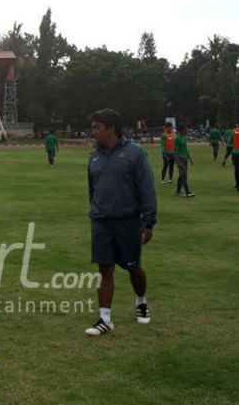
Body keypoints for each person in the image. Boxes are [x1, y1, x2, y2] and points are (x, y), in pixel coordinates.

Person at [85, 109, 156, 336]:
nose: (93, 131)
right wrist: (96, 210)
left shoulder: (135, 153)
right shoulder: (93, 157)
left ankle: (141, 301)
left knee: (133, 267)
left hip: (128, 221)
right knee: (104, 268)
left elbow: (146, 189)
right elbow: (92, 190)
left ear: (112, 128)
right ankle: (105, 319)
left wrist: (148, 222)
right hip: (101, 221)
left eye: (97, 127)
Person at [174, 124, 195, 198]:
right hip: (180, 159)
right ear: (181, 130)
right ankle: (187, 192)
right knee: (184, 175)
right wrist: (178, 161)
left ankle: (178, 192)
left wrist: (190, 159)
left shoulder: (184, 138)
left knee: (181, 175)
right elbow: (175, 151)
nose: (187, 131)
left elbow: (185, 149)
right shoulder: (177, 139)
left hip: (185, 159)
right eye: (185, 129)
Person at [230, 122, 239, 190]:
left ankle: (237, 184)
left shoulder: (234, 131)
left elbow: (231, 141)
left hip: (235, 152)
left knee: (236, 169)